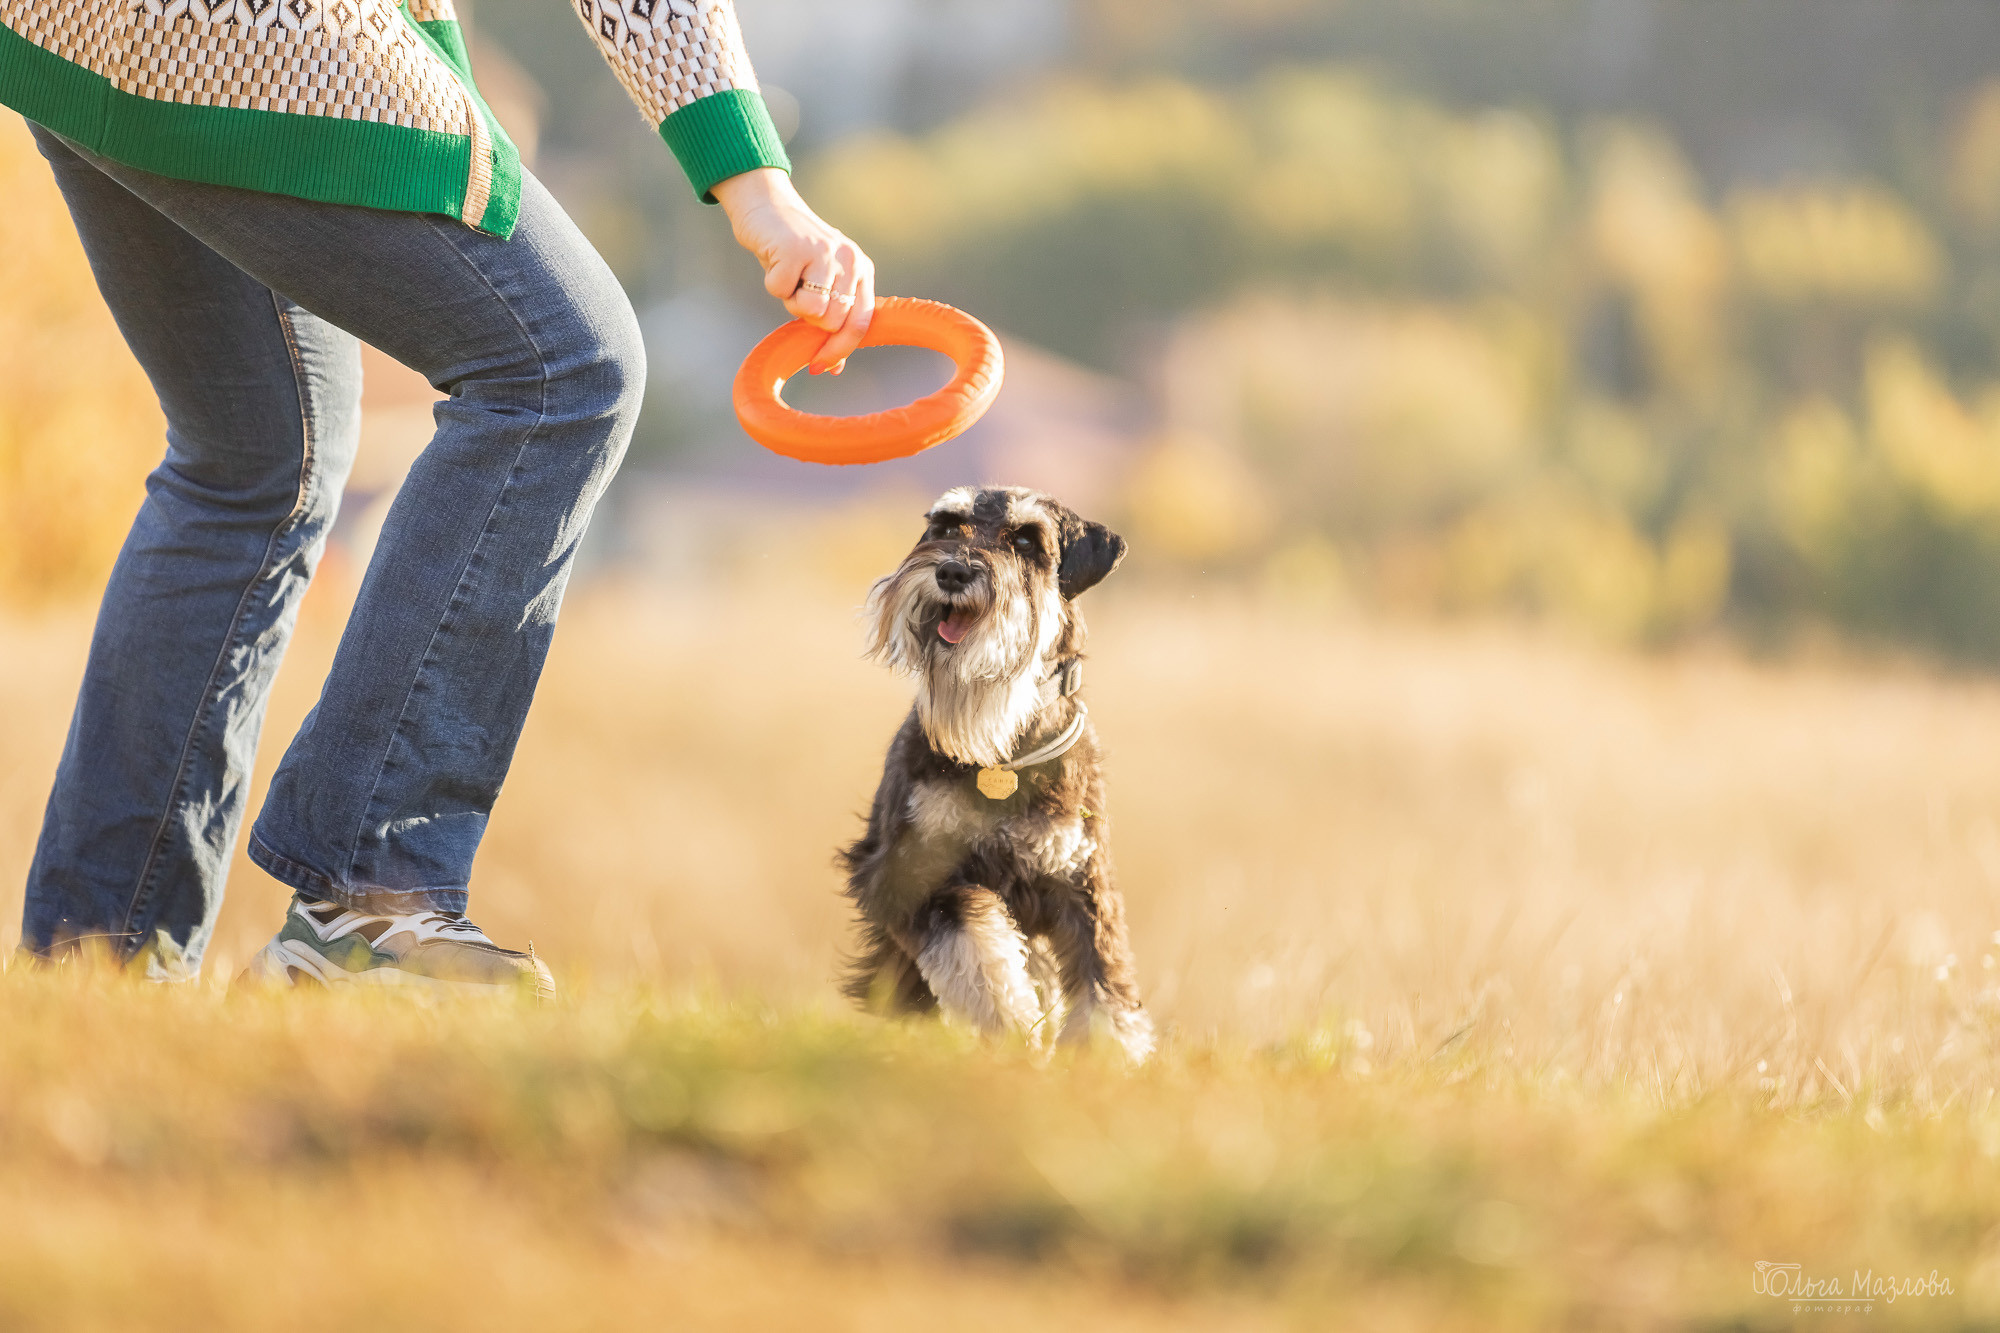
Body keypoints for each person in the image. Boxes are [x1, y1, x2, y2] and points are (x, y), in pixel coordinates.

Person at [2, 0, 873, 989]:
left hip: (69, 28)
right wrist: (758, 191)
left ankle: (97, 960)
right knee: (562, 365)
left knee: (253, 463)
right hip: (244, 33)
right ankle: (369, 898)